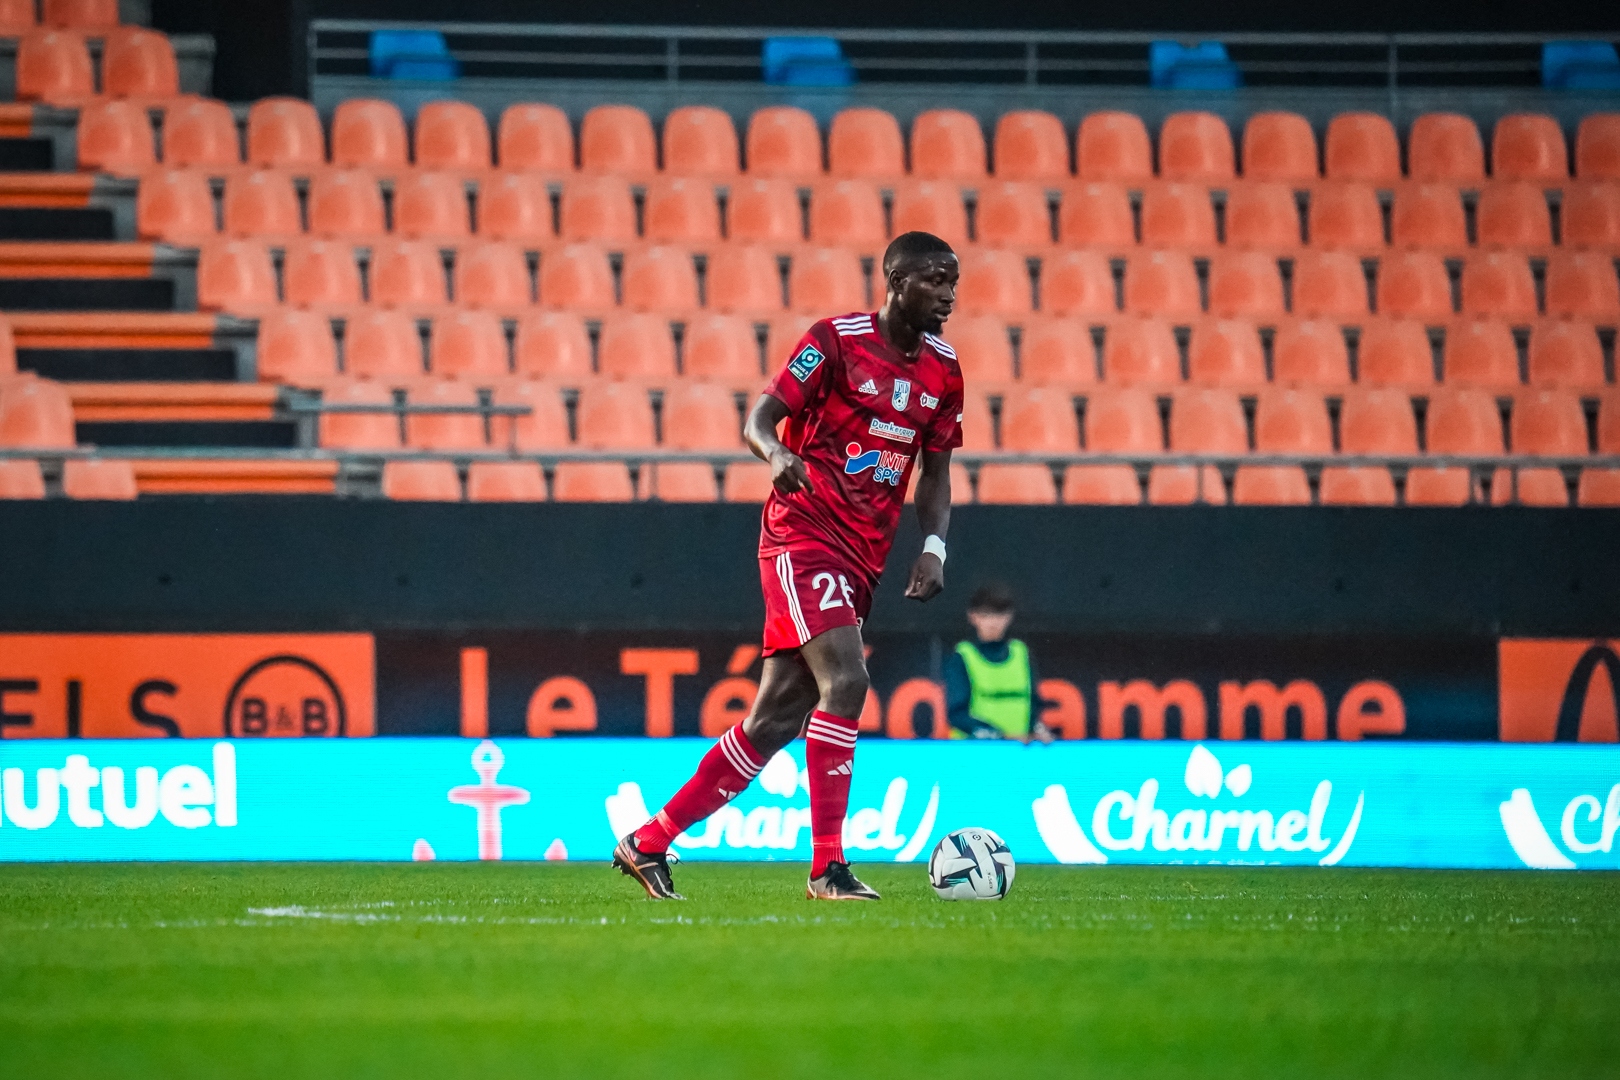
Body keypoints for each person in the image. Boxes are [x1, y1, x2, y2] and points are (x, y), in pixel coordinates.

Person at [614, 231, 964, 901]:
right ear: (897, 283)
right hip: (802, 536)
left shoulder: (944, 370)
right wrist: (775, 454)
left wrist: (934, 546)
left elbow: (936, 473)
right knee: (848, 680)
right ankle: (827, 868)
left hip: (864, 556)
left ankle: (648, 841)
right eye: (935, 280)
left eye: (953, 282)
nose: (948, 294)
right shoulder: (835, 341)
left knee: (774, 720)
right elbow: (759, 420)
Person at [944, 583, 1053, 743]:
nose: (993, 623)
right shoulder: (963, 656)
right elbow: (957, 715)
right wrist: (999, 737)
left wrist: (1036, 730)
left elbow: (1033, 704)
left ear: (1009, 617)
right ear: (973, 617)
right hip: (974, 752)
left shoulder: (1021, 653)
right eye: (985, 615)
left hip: (1018, 751)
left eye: (999, 615)